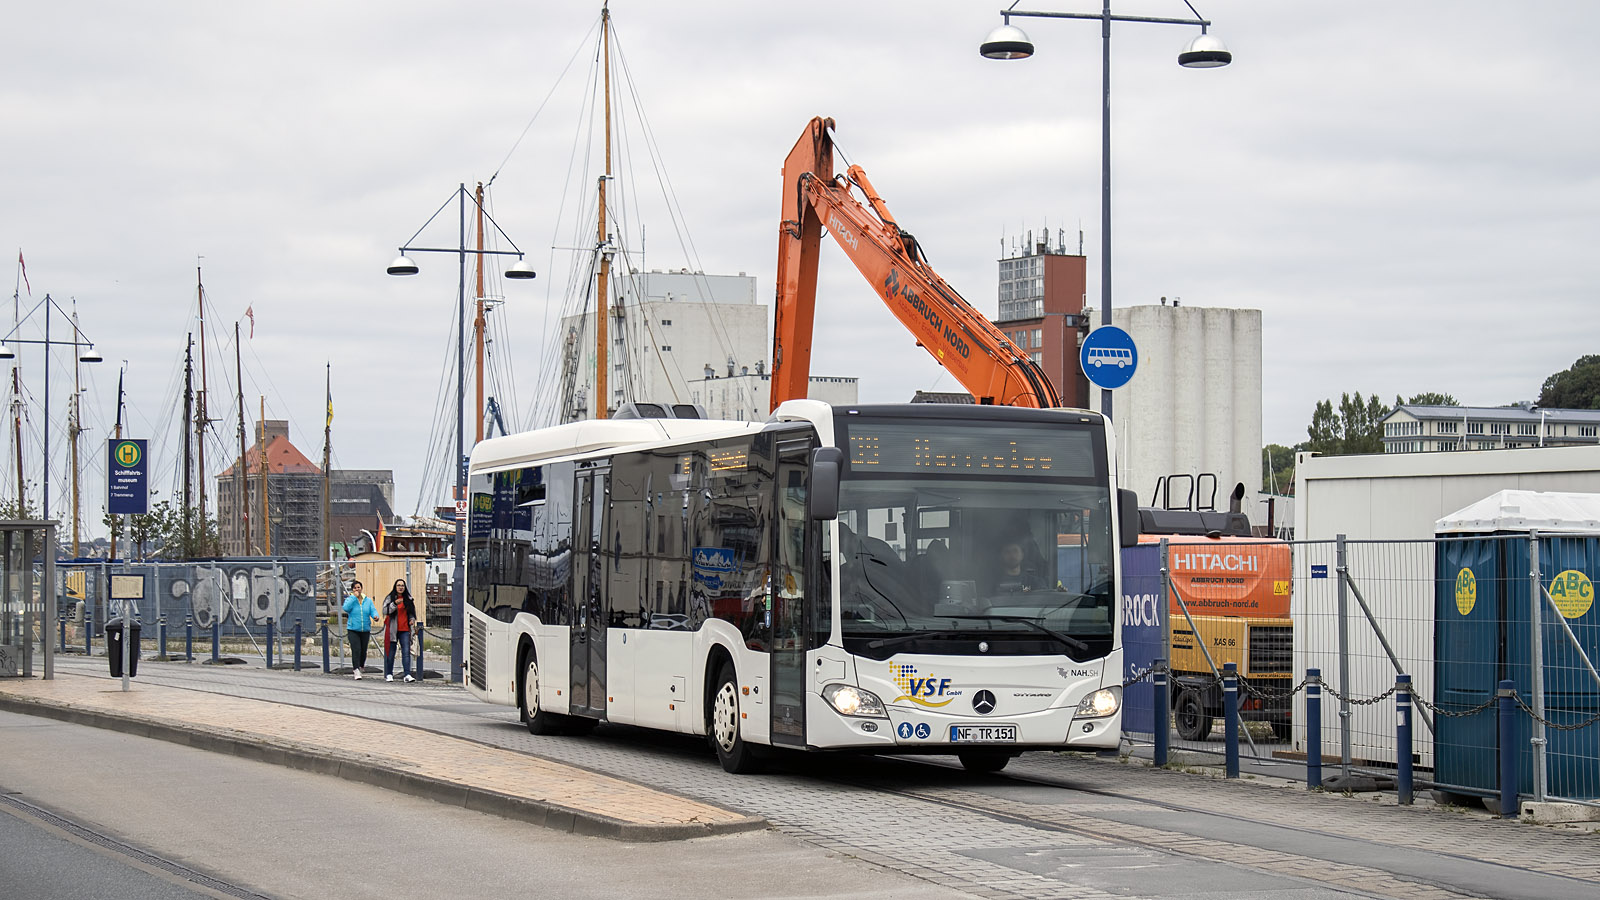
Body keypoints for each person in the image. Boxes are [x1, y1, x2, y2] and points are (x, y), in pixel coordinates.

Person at [380, 578, 418, 683]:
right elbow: (385, 610)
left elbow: (412, 612)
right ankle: (389, 674)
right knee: (391, 652)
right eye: (398, 585)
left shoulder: (408, 598)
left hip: (405, 629)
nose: (400, 587)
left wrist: (412, 619)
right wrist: (394, 604)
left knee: (406, 652)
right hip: (393, 629)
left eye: (402, 585)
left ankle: (407, 674)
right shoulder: (390, 598)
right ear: (395, 587)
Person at [341, 581, 377, 679]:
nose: (357, 589)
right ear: (353, 590)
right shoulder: (350, 599)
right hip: (353, 628)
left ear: (362, 588)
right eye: (355, 588)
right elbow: (346, 608)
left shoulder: (367, 600)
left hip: (365, 628)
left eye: (359, 587)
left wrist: (375, 616)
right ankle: (356, 669)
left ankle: (361, 665)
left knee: (363, 650)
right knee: (356, 649)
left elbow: (372, 609)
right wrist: (353, 598)